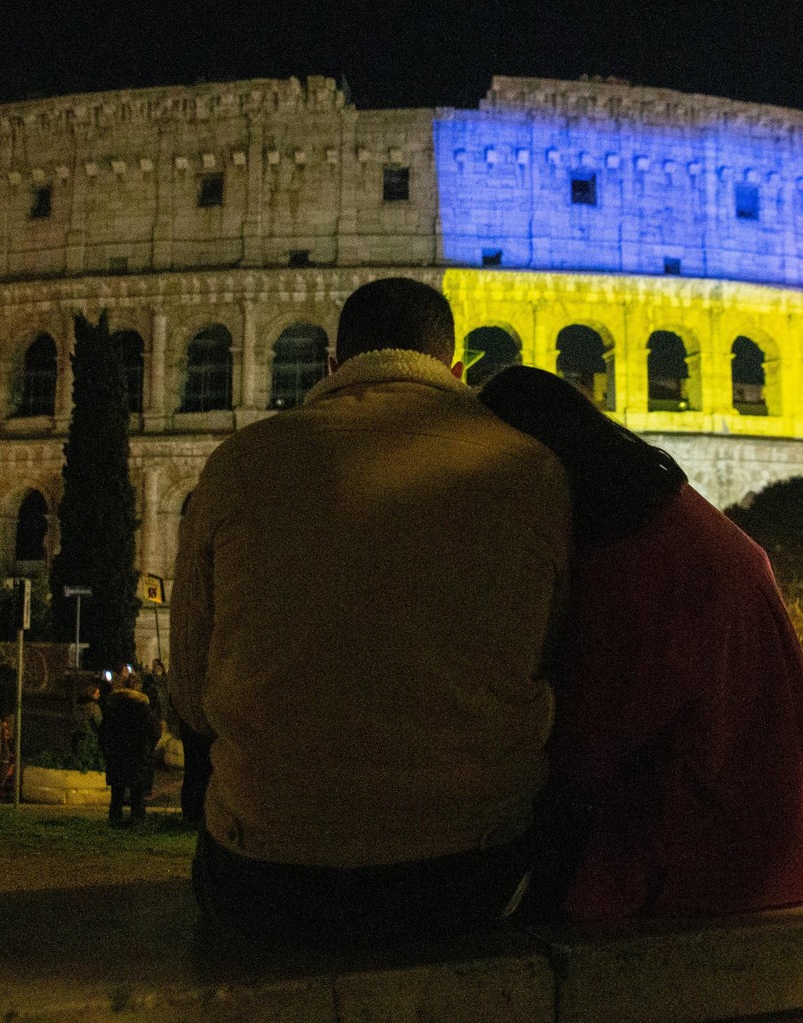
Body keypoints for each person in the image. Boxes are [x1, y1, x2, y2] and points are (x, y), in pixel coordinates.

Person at [170, 277, 570, 943]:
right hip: (473, 876)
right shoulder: (535, 473)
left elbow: (189, 693)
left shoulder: (238, 464)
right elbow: (550, 660)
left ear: (334, 367)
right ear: (457, 370)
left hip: (264, 879)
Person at [478, 365, 803, 921]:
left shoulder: (631, 558)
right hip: (774, 813)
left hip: (710, 840)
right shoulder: (663, 511)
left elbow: (592, 737)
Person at [99, 665, 161, 827]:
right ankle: (137, 820)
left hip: (117, 753)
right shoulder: (142, 707)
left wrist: (107, 748)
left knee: (117, 792)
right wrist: (149, 747)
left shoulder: (113, 705)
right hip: (138, 753)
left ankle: (114, 818)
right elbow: (154, 730)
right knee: (137, 791)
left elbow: (104, 730)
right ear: (138, 687)